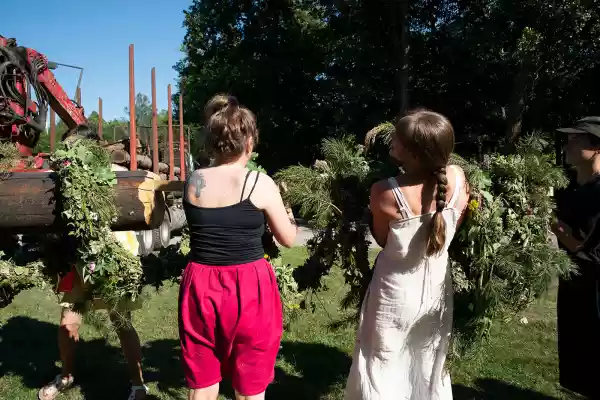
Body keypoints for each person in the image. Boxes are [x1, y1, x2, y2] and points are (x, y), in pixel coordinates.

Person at [179, 94, 297, 400]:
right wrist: (288, 214)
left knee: (202, 378)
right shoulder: (260, 183)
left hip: (200, 285)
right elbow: (288, 239)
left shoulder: (194, 181)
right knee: (250, 381)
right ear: (249, 142)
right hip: (249, 288)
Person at [344, 109, 469, 400]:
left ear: (412, 152)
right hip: (436, 288)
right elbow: (455, 224)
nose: (392, 144)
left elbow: (381, 237)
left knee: (382, 361)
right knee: (429, 360)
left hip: (394, 291)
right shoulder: (458, 178)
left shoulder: (383, 192)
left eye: (397, 140)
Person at [38, 164, 148, 400]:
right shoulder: (66, 178)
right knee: (67, 323)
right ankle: (66, 376)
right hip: (80, 265)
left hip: (113, 262)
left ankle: (138, 384)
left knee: (122, 324)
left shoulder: (115, 173)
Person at [552, 116, 600, 399]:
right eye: (568, 139)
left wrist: (547, 221)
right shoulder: (571, 186)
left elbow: (575, 240)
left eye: (576, 140)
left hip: (594, 281)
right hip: (574, 277)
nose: (568, 146)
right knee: (577, 345)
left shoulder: (597, 191)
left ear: (597, 147)